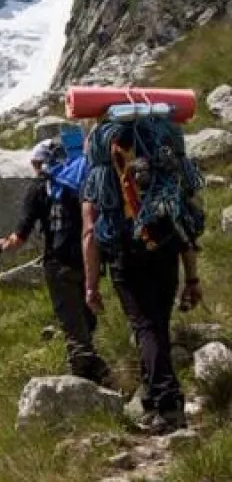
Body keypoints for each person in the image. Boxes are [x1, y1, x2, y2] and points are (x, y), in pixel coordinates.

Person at [82, 117, 205, 434]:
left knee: (146, 326)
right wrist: (192, 279)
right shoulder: (168, 171)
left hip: (126, 252)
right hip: (166, 246)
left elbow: (90, 234)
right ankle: (153, 398)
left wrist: (91, 285)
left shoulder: (99, 176)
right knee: (157, 324)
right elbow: (186, 229)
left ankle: (168, 405)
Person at [0, 139, 112, 385]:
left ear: (40, 163)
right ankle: (96, 368)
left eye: (35, 164)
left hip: (58, 263)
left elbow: (19, 237)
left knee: (71, 321)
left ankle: (85, 380)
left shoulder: (38, 188)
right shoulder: (80, 181)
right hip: (88, 259)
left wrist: (1, 245)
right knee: (85, 317)